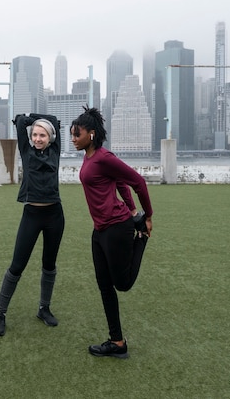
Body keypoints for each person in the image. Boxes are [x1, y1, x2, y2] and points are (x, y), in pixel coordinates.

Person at [70, 105, 153, 359]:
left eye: (77, 133)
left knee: (122, 284)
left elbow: (136, 181)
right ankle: (117, 342)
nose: (73, 138)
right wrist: (131, 208)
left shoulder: (104, 157)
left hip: (117, 227)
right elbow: (118, 184)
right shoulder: (88, 157)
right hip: (100, 230)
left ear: (91, 134)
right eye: (72, 134)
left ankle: (142, 239)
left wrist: (146, 216)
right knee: (104, 285)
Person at [0, 113, 65, 336]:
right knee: (17, 266)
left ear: (50, 137)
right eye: (34, 134)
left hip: (55, 215)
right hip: (31, 215)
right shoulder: (26, 150)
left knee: (49, 265)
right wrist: (30, 119)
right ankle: (0, 314)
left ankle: (44, 308)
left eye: (42, 135)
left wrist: (39, 119)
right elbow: (20, 120)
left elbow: (53, 118)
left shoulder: (55, 151)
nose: (38, 138)